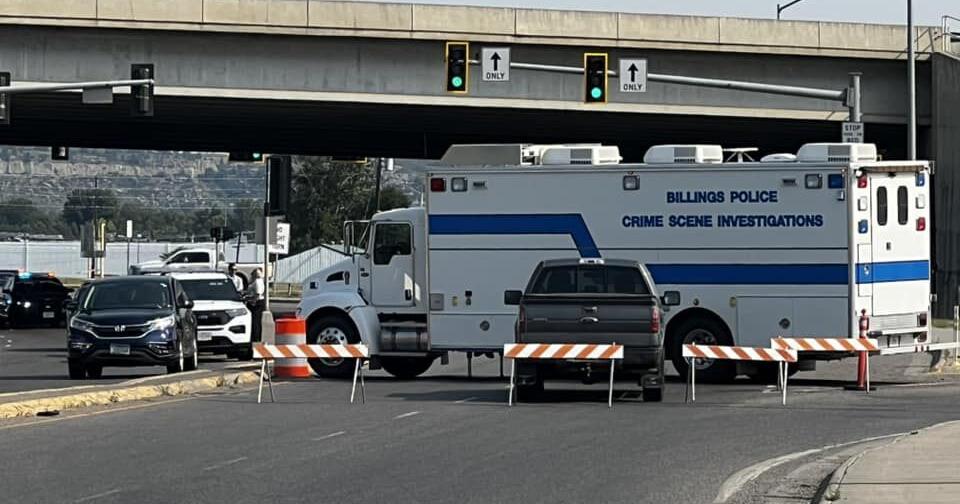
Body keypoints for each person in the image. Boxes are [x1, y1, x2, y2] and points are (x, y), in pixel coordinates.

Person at [246, 268, 266, 342]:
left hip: (257, 304)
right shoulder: (254, 281)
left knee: (256, 322)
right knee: (254, 322)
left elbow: (258, 294)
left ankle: (256, 338)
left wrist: (253, 302)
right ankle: (254, 337)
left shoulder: (258, 282)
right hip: (254, 302)